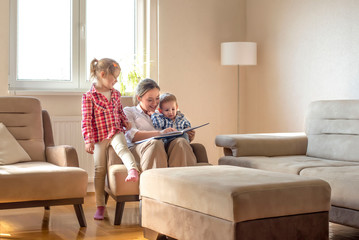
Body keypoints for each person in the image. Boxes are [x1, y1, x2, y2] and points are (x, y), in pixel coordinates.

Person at [81, 58, 139, 220]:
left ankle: (133, 170)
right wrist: (88, 140)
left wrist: (125, 121)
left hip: (115, 131)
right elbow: (86, 120)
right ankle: (100, 206)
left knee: (122, 148)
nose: (116, 81)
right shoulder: (89, 97)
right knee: (99, 170)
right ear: (102, 74)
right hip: (99, 136)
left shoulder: (115, 94)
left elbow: (119, 111)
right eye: (114, 78)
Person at [123, 78, 197, 170]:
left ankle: (180, 182)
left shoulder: (162, 113)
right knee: (155, 143)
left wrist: (189, 135)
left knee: (181, 142)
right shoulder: (129, 111)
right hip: (140, 148)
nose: (155, 103)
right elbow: (132, 135)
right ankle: (155, 182)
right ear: (139, 98)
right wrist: (161, 133)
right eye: (150, 100)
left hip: (163, 147)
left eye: (157, 98)